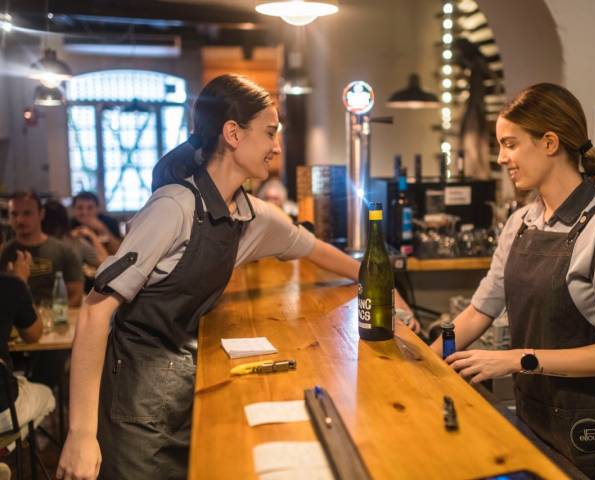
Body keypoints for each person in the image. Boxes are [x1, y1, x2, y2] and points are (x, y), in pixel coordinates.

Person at [57, 74, 419, 480]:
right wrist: (81, 434)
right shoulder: (174, 206)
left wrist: (384, 290)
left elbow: (319, 251)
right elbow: (94, 313)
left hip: (184, 385)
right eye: (269, 133)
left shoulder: (249, 215)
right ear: (232, 133)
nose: (277, 147)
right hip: (134, 401)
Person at [433, 83, 595, 479]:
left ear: (549, 143)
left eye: (510, 144)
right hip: (537, 418)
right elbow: (482, 308)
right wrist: (424, 365)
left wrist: (516, 359)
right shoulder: (521, 222)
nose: (501, 159)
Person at [0, 253, 56, 445]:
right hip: (2, 407)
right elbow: (34, 334)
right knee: (48, 396)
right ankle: (5, 449)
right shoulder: (10, 285)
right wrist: (21, 281)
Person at [0, 192, 84, 307]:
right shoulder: (4, 253)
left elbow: (76, 294)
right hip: (18, 321)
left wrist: (59, 318)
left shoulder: (63, 251)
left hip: (55, 318)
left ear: (41, 214)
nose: (20, 220)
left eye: (27, 213)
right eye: (14, 214)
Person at [43, 200, 108, 269]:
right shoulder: (75, 241)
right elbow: (106, 263)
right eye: (80, 208)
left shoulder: (76, 240)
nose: (84, 213)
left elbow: (105, 263)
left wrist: (92, 234)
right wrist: (92, 235)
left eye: (89, 208)